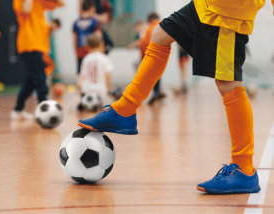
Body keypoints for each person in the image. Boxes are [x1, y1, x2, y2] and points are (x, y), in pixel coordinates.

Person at [78, 0, 272, 194]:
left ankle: (244, 167)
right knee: (159, 34)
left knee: (228, 84)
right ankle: (125, 109)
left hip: (228, 13)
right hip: (203, 5)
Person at [11, 0, 65, 120]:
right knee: (40, 78)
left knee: (29, 81)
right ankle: (45, 109)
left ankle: (18, 110)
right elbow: (26, 9)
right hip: (29, 44)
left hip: (39, 45)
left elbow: (61, 3)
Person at [77, 34, 114, 109]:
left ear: (87, 46)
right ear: (100, 45)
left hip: (87, 91)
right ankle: (98, 104)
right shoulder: (104, 58)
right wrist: (108, 90)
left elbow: (81, 77)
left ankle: (85, 102)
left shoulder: (86, 59)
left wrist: (80, 89)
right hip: (100, 92)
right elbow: (108, 75)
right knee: (113, 104)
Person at [139, 12, 166, 105]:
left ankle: (154, 93)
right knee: (157, 74)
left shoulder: (149, 28)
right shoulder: (164, 25)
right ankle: (157, 92)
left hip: (150, 55)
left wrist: (143, 57)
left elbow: (143, 44)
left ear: (149, 20)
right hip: (162, 55)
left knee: (150, 76)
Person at [74, 0, 102, 75]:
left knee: (81, 75)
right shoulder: (94, 22)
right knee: (94, 74)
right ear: (92, 8)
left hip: (80, 51)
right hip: (92, 51)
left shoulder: (76, 23)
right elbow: (99, 38)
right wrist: (101, 52)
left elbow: (74, 40)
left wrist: (76, 53)